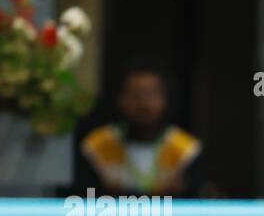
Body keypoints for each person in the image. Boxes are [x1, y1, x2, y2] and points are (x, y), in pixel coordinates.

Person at [76, 58, 204, 197]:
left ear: (165, 99)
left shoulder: (185, 149)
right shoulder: (97, 145)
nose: (144, 104)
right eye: (135, 95)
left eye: (152, 94)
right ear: (120, 99)